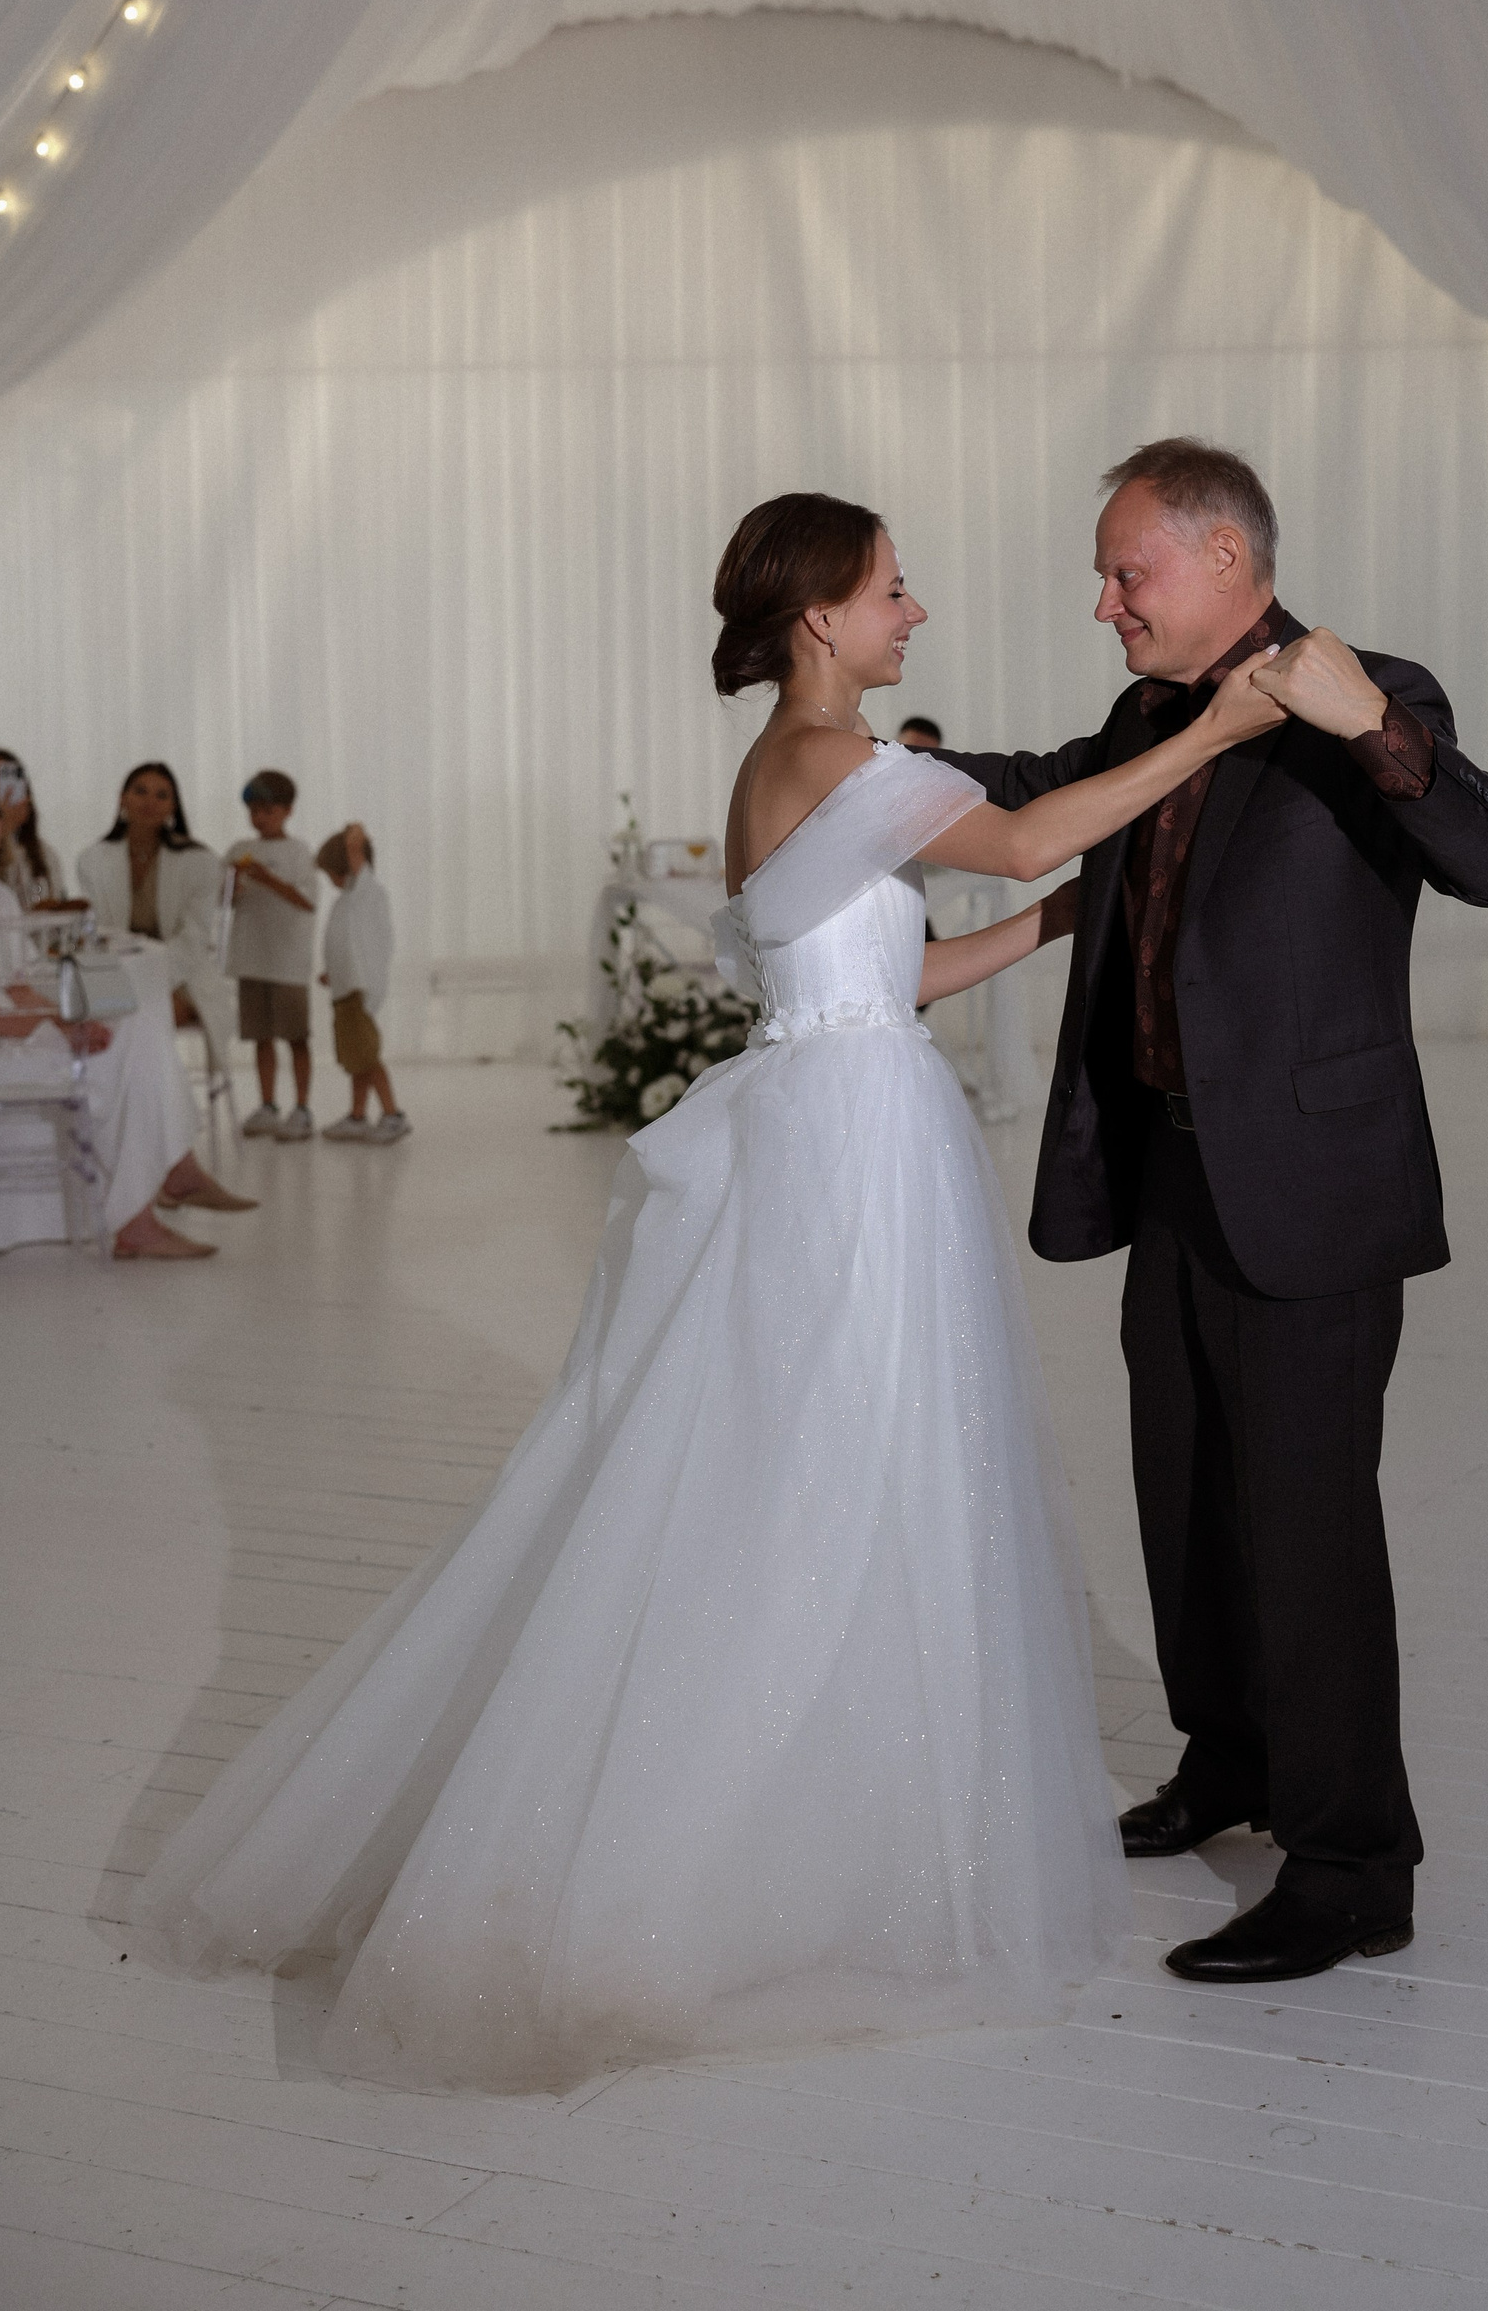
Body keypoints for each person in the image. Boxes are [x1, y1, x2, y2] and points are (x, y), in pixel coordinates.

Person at [137, 491, 1285, 2092]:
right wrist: (1221, 727)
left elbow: (894, 973)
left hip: (848, 1107)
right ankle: (742, 1840)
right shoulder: (830, 758)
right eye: (892, 590)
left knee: (843, 1461)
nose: (914, 611)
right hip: (854, 1143)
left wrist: (1053, 924)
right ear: (821, 616)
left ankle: (832, 1812)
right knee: (838, 1465)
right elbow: (1027, 832)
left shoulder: (795, 764)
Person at [939, 438, 1488, 1989]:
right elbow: (1043, 789)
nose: (1105, 601)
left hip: (1314, 1191)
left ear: (1225, 557)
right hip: (1172, 1173)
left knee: (1308, 1525)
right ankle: (1232, 1762)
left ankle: (1351, 1870)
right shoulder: (1150, 715)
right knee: (1188, 1490)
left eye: (1124, 571)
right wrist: (874, 759)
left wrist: (1373, 726)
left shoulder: (1373, 694)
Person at [0, 781, 249, 1259]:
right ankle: (161, 1192)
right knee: (123, 1064)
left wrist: (64, 1019)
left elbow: (18, 987)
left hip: (11, 1033)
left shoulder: (0, 896)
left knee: (133, 1032)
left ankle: (158, 1195)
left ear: (1, 827)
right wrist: (49, 1028)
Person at [76, 763, 232, 1043]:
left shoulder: (201, 862)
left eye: (161, 795)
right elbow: (99, 930)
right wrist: (130, 974)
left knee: (145, 1012)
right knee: (101, 1011)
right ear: (122, 798)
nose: (150, 802)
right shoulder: (93, 860)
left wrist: (151, 975)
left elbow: (194, 937)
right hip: (118, 971)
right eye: (140, 791)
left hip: (183, 975)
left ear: (173, 807)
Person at [224, 771, 317, 1141]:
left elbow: (307, 901)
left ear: (287, 811)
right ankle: (267, 1104)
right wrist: (233, 883)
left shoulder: (299, 852)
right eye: (254, 811)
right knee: (260, 1037)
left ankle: (303, 1107)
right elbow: (222, 902)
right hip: (251, 959)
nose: (259, 818)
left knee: (296, 1037)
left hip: (288, 962)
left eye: (268, 810)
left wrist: (267, 879)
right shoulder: (238, 850)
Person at [314, 824, 407, 1144]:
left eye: (331, 873)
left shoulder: (365, 891)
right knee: (356, 1059)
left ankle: (392, 1115)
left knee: (366, 1058)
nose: (330, 880)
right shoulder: (346, 901)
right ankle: (357, 1115)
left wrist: (353, 837)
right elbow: (348, 943)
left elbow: (355, 851)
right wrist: (332, 972)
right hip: (345, 990)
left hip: (358, 991)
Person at [0, 748, 80, 910]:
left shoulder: (44, 854)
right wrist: (2, 830)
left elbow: (48, 904)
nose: (2, 790)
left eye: (8, 781)